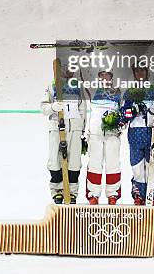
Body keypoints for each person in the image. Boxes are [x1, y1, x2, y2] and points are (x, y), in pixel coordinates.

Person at [122, 67, 154, 205]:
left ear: (147, 72)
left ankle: (153, 193)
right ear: (134, 73)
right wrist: (133, 110)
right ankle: (139, 194)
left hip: (151, 133)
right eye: (137, 71)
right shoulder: (130, 92)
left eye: (142, 71)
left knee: (152, 165)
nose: (140, 73)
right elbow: (124, 114)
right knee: (137, 167)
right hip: (135, 134)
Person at [41, 67, 86, 204]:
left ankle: (72, 192)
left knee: (74, 161)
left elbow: (82, 108)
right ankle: (57, 190)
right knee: (55, 159)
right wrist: (53, 107)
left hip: (75, 128)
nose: (68, 71)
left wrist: (82, 130)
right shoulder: (52, 85)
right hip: (57, 127)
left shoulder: (78, 86)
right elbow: (44, 107)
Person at [86, 70, 123, 205]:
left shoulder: (118, 92)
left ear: (112, 77)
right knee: (95, 163)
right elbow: (82, 75)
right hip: (95, 133)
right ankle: (93, 195)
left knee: (113, 164)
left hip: (112, 133)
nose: (104, 77)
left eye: (107, 75)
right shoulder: (92, 89)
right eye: (101, 75)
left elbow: (123, 111)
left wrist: (120, 125)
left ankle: (112, 195)